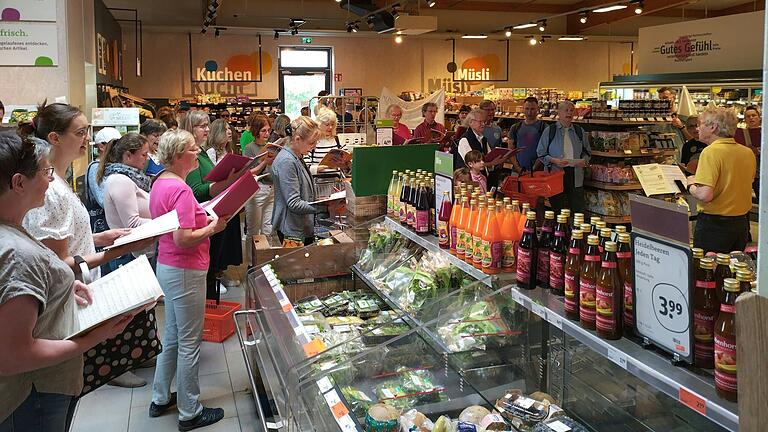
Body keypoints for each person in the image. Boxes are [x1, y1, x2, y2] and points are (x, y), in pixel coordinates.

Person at [0, 132, 137, 432]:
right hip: (33, 392)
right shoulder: (17, 253)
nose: (50, 181)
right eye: (45, 172)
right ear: (19, 183)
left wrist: (59, 290)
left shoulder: (13, 229)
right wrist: (94, 338)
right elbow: (14, 355)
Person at [19, 102, 153, 388]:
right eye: (80, 132)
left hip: (77, 287)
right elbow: (55, 261)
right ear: (55, 138)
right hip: (66, 297)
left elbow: (62, 244)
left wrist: (98, 239)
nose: (88, 139)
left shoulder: (58, 181)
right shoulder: (50, 188)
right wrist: (109, 254)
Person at [148, 128, 228, 431]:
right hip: (185, 268)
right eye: (194, 149)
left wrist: (201, 216)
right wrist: (213, 227)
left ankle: (159, 396)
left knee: (172, 337)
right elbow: (183, 238)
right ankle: (190, 411)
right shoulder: (181, 189)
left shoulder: (161, 182)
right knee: (190, 342)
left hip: (167, 266)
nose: (199, 152)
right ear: (179, 155)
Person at [182, 111, 245, 297]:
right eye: (202, 126)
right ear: (190, 129)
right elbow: (196, 190)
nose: (207, 129)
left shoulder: (200, 152)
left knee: (211, 270)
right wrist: (227, 182)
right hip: (203, 217)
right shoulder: (192, 154)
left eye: (207, 125)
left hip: (212, 214)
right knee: (206, 277)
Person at [687, 107, 756, 253]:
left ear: (712, 127)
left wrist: (691, 184)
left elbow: (705, 195)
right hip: (741, 224)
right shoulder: (747, 152)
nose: (697, 128)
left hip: (714, 225)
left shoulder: (711, 152)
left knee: (708, 271)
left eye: (701, 124)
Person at [271, 116, 342, 247]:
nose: (314, 147)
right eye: (311, 143)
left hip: (299, 227)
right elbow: (294, 203)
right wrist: (325, 207)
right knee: (296, 266)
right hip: (292, 231)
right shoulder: (287, 161)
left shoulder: (296, 156)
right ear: (297, 139)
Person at [98, 133, 154, 272]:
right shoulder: (120, 180)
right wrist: (168, 221)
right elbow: (132, 223)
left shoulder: (129, 179)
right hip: (129, 255)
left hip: (137, 253)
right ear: (128, 155)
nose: (147, 159)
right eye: (143, 154)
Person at [537, 100, 590, 213]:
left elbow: (587, 151)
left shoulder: (579, 131)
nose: (569, 113)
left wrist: (584, 161)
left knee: (577, 208)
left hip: (575, 174)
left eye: (571, 110)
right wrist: (554, 160)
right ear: (559, 113)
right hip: (555, 174)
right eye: (566, 110)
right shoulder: (550, 130)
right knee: (557, 208)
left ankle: (576, 229)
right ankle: (559, 229)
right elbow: (541, 152)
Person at [243, 115, 276, 247]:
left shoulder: (271, 147)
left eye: (268, 130)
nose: (267, 133)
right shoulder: (249, 148)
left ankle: (266, 260)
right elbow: (248, 173)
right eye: (263, 130)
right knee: (254, 230)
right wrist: (265, 162)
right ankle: (252, 263)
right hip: (257, 189)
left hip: (272, 188)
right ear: (256, 131)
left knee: (268, 229)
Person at [455, 109, 509, 173]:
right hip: (469, 179)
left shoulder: (483, 139)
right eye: (480, 122)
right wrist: (492, 163)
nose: (483, 124)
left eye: (484, 122)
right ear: (471, 122)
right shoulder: (465, 140)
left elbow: (489, 156)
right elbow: (472, 164)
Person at [87, 127, 122, 210]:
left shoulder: (114, 165)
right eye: (114, 144)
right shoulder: (95, 168)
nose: (118, 148)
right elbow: (103, 200)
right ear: (101, 146)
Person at [509, 97, 546, 173]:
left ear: (537, 109)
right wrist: (518, 168)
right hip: (517, 171)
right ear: (523, 109)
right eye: (527, 109)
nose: (529, 112)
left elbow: (545, 151)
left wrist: (533, 168)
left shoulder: (544, 128)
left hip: (538, 172)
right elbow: (510, 151)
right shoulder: (515, 127)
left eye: (532, 109)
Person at [306, 107, 344, 173]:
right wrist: (319, 168)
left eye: (332, 124)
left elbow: (347, 162)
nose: (330, 127)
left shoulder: (338, 140)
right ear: (319, 124)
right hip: (318, 181)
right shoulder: (312, 141)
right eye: (327, 124)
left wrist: (345, 163)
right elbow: (305, 167)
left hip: (336, 180)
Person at [734, 105, 761, 196]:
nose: (751, 118)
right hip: (745, 172)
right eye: (748, 116)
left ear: (759, 117)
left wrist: (758, 151)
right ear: (745, 119)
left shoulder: (764, 132)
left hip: (760, 172)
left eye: (753, 115)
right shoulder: (739, 133)